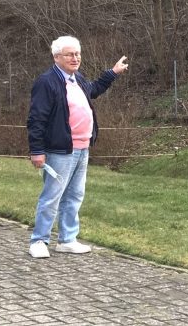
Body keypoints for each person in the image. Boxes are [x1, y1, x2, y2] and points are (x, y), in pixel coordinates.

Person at [27, 36, 129, 258]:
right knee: (52, 195)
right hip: (60, 150)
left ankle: (67, 239)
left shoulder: (78, 79)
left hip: (82, 148)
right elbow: (37, 119)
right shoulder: (47, 82)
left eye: (77, 54)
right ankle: (39, 241)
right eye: (69, 54)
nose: (75, 58)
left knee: (74, 195)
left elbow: (92, 90)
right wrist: (36, 151)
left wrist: (112, 73)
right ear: (56, 57)